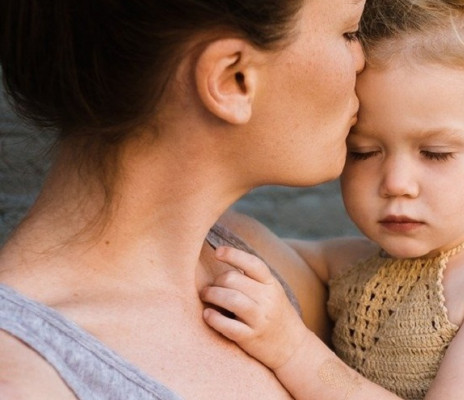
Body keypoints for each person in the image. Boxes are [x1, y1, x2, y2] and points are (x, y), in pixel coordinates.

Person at [201, 0, 464, 399]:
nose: (396, 183)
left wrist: (292, 349)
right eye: (363, 152)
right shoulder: (355, 265)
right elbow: (253, 246)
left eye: (435, 153)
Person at [0, 0, 365, 398]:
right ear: (232, 78)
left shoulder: (253, 262)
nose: (364, 59)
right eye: (349, 33)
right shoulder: (24, 377)